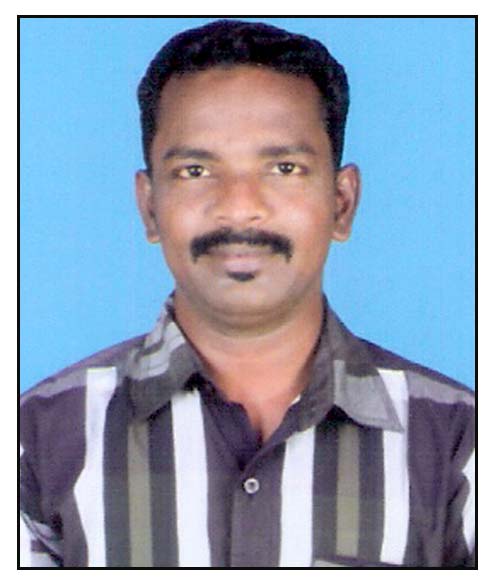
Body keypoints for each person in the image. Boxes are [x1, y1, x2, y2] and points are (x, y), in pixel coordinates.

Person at [20, 19, 475, 568]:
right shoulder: (37, 438)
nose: (239, 207)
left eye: (284, 168)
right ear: (149, 207)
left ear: (342, 203)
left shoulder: (459, 442)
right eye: (195, 170)